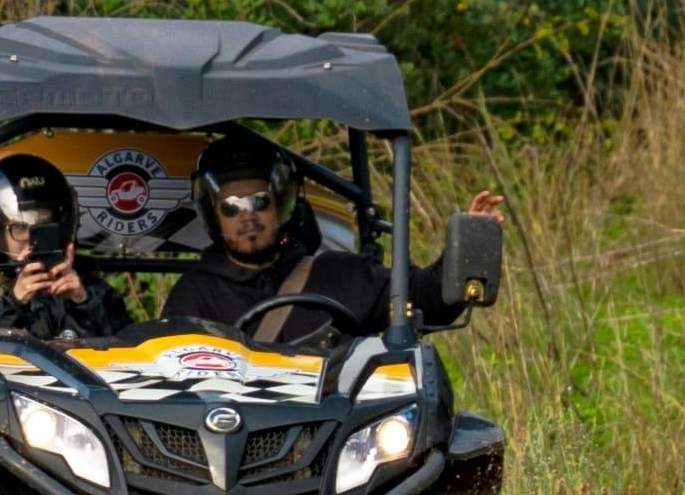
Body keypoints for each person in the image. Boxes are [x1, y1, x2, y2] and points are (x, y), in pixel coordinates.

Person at [164, 130, 505, 349]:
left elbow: (426, 299)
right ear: (214, 214)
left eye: (259, 201)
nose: (247, 216)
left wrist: (468, 244)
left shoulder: (344, 276)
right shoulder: (195, 295)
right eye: (232, 207)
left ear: (280, 201)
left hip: (341, 447)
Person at [0, 154, 125, 341]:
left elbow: (124, 346)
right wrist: (14, 303)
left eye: (43, 227)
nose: (31, 240)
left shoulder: (93, 291)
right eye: (20, 227)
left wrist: (82, 301)